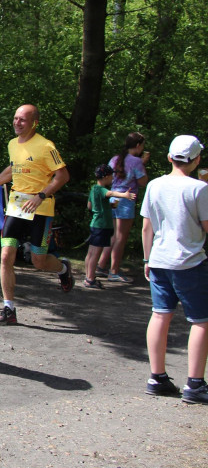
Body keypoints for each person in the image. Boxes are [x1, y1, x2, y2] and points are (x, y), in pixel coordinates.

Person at [0, 104, 74, 326]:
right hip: (17, 206)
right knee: (6, 256)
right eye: (15, 118)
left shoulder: (46, 146)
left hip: (40, 208)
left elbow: (62, 176)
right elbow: (12, 170)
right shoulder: (12, 144)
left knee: (39, 261)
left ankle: (63, 268)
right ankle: (9, 309)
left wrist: (41, 195)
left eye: (22, 120)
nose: (17, 122)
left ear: (34, 122)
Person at [140, 135, 208, 403]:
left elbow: (147, 226)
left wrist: (147, 260)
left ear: (169, 157)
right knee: (201, 320)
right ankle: (195, 384)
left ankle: (157, 378)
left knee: (160, 315)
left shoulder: (154, 185)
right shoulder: (199, 189)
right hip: (189, 261)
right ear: (197, 160)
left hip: (158, 260)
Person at [97, 132, 149, 282]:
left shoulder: (115, 159)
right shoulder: (136, 161)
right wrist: (143, 163)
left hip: (113, 198)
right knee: (121, 237)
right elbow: (142, 181)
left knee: (113, 234)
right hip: (126, 199)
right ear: (138, 145)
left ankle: (101, 265)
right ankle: (114, 270)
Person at [84, 164, 135, 289]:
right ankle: (90, 279)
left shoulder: (93, 189)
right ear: (106, 176)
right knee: (96, 252)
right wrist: (125, 195)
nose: (113, 178)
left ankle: (88, 276)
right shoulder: (100, 189)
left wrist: (105, 207)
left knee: (91, 252)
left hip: (96, 224)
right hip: (102, 225)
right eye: (111, 175)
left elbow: (89, 206)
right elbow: (111, 193)